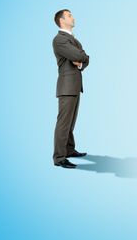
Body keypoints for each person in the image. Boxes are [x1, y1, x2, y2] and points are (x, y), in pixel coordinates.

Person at [52, 9, 90, 168]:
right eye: (69, 15)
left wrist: (81, 60)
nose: (73, 17)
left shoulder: (71, 39)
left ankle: (69, 149)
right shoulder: (59, 40)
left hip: (74, 85)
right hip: (67, 86)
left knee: (71, 121)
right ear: (61, 20)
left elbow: (85, 59)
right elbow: (79, 55)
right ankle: (59, 158)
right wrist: (81, 57)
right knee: (63, 122)